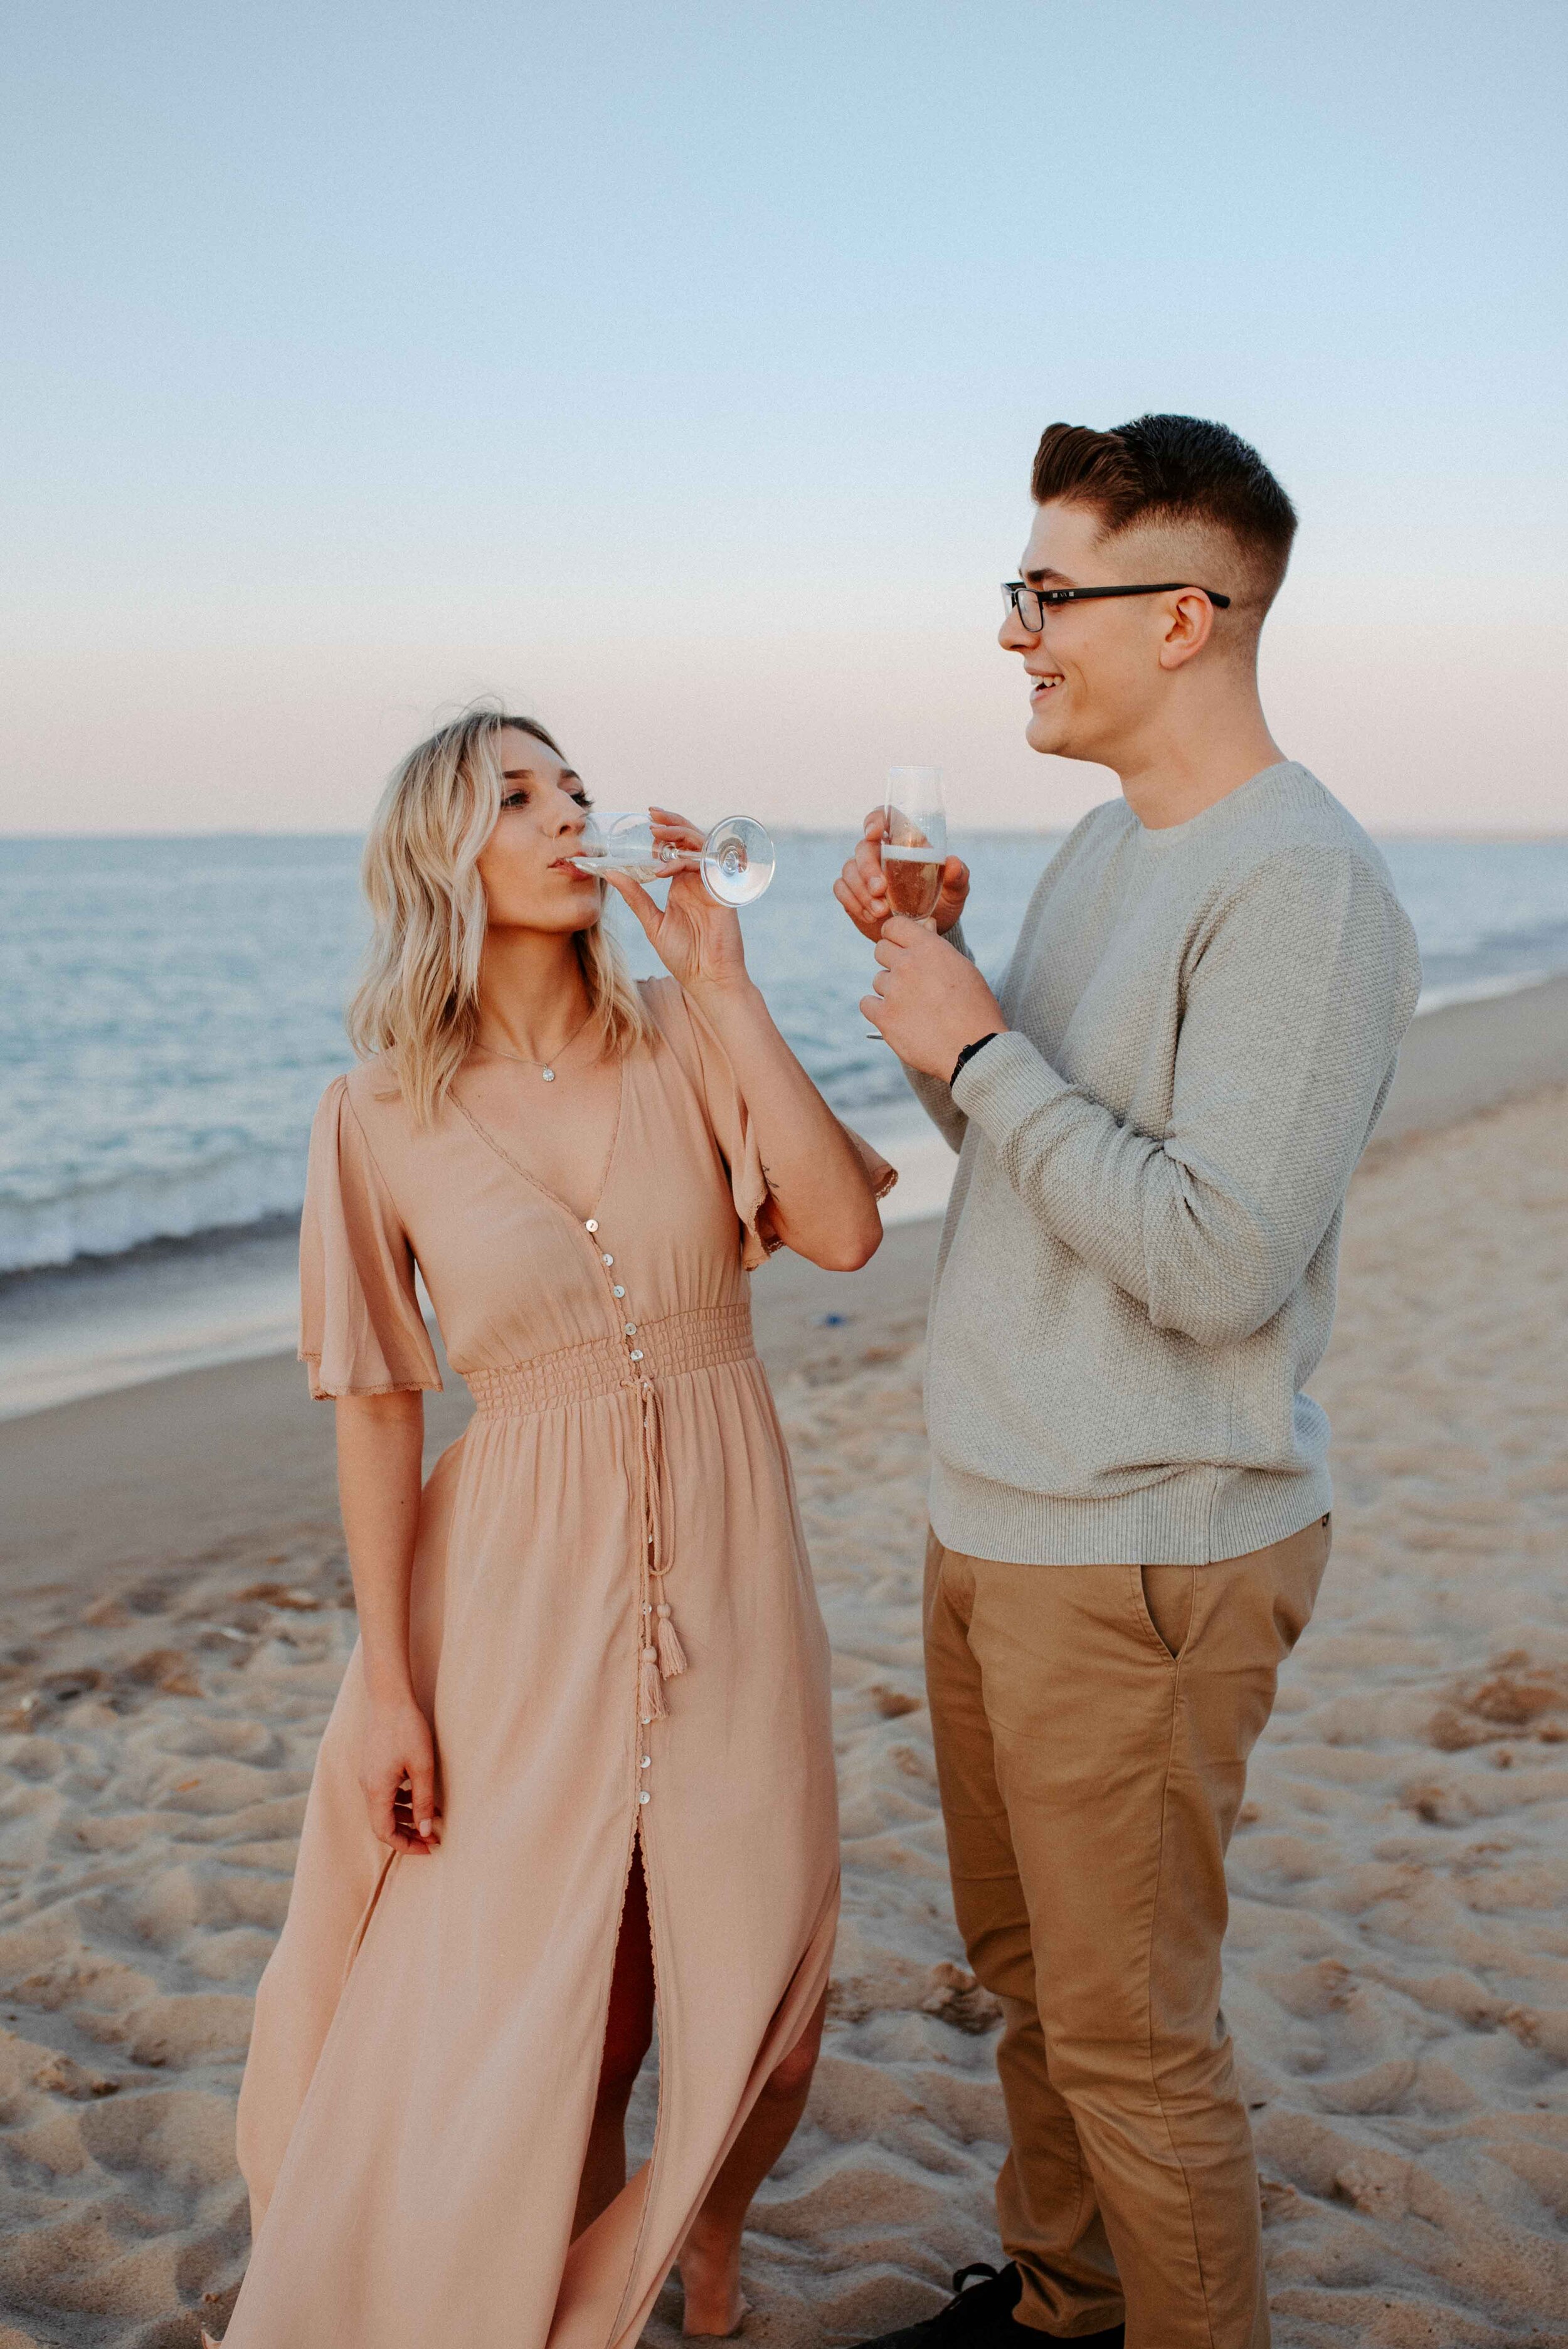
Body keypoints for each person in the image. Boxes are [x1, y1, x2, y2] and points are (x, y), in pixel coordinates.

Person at [835, 417, 1421, 2349]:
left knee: (1130, 2037)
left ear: (1182, 616)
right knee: (1026, 1978)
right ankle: (1067, 2305)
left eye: (1045, 593)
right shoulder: (1103, 847)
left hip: (1145, 1546)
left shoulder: (1302, 887)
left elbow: (1214, 1258)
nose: (1015, 632)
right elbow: (1034, 1143)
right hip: (995, 1514)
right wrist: (938, 995)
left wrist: (981, 1053)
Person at [214, 707, 891, 2349]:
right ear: (444, 851)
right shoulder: (372, 1111)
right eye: (519, 795)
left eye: (574, 786)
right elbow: (380, 1401)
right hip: (513, 1581)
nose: (567, 814)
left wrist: (726, 982)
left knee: (773, 2008)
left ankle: (707, 2235)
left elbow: (844, 1227)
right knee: (583, 2006)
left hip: (727, 1558)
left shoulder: (681, 1026)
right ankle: (562, 2303)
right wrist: (387, 1680)